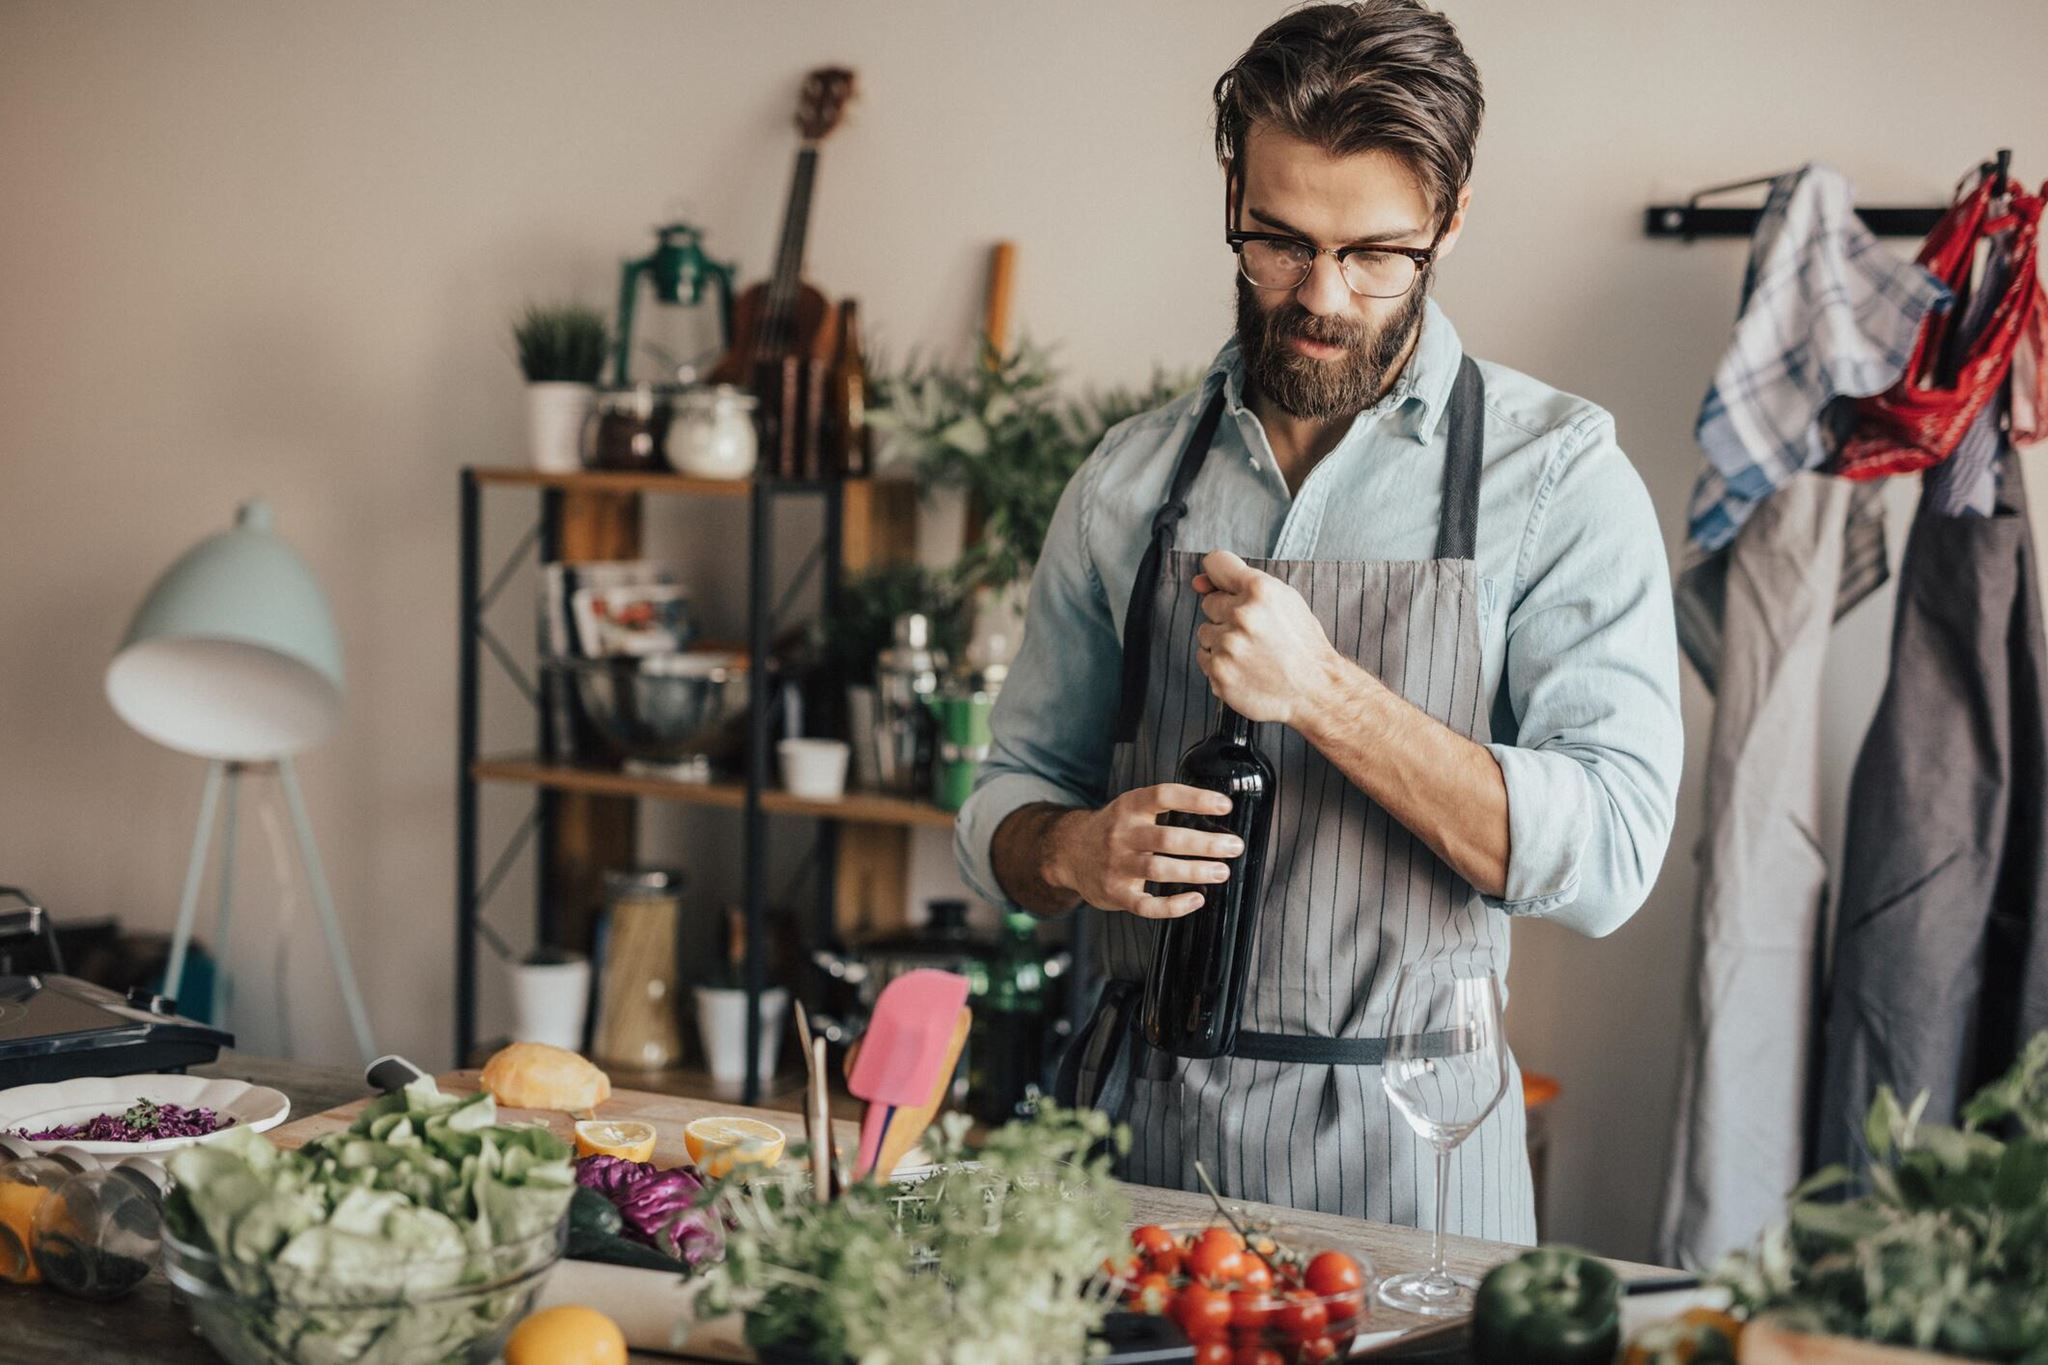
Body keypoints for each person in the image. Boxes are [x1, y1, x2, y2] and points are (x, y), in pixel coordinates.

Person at [954, 0, 1682, 1243]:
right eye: (1278, 243)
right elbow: (1002, 806)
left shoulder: (1557, 477)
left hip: (1416, 1169)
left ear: (1449, 221)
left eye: (1375, 254)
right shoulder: (1125, 482)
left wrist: (1327, 695)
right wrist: (1071, 850)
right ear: (1230, 192)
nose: (1322, 297)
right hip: (1133, 1158)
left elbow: (1611, 854)